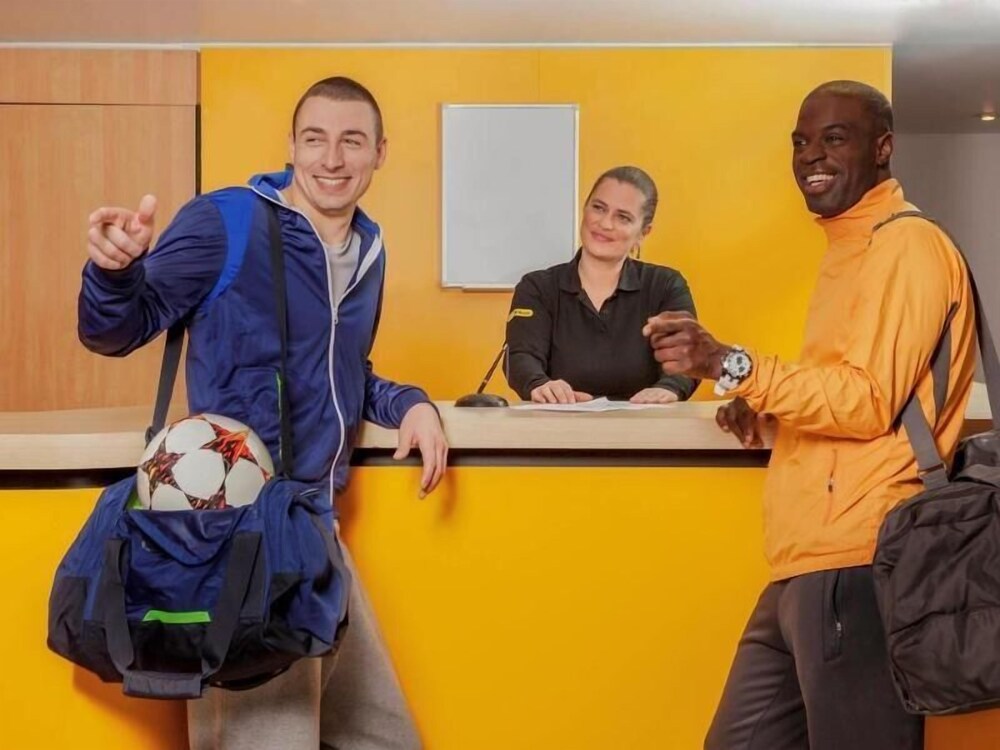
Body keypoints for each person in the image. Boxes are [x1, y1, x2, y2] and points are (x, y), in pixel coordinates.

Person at [80, 76, 445, 750]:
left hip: (314, 530)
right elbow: (116, 329)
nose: (331, 158)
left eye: (351, 141)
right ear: (290, 146)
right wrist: (114, 273)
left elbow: (342, 374)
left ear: (380, 153)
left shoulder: (369, 249)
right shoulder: (229, 221)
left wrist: (410, 403)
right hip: (237, 541)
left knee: (382, 737)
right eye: (314, 139)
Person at [643, 81, 977, 749]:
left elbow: (868, 400)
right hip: (806, 564)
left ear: (882, 148)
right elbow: (858, 396)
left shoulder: (905, 245)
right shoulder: (850, 249)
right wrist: (766, 410)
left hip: (861, 560)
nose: (810, 156)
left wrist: (734, 364)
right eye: (800, 142)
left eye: (834, 138)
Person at [504, 166, 699, 404]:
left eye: (623, 217)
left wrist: (669, 388)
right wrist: (539, 384)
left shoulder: (666, 286)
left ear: (643, 232)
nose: (605, 223)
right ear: (584, 209)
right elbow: (521, 357)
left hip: (646, 422)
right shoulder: (537, 287)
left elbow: (688, 355)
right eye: (598, 208)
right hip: (558, 422)